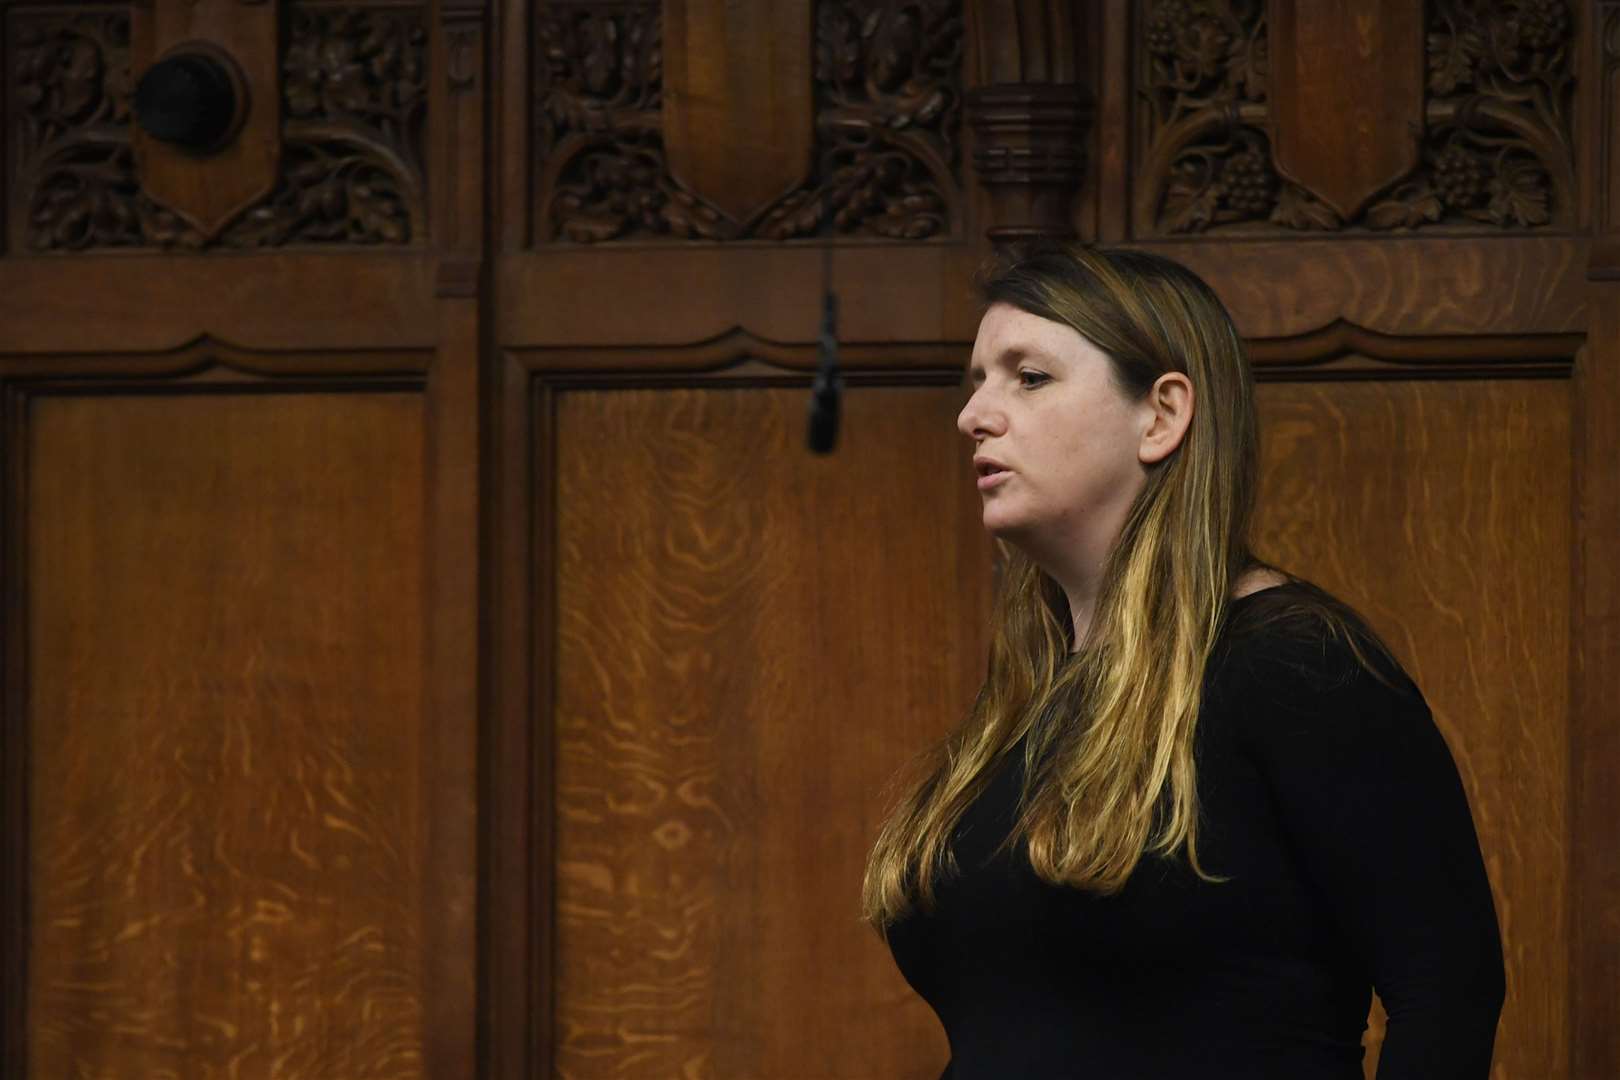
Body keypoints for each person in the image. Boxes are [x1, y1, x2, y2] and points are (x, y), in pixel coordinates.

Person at [860, 243, 1505, 1079]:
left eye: (1028, 377)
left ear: (1162, 415)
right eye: (977, 379)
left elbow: (1447, 995)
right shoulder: (1030, 694)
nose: (974, 414)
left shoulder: (1297, 665)